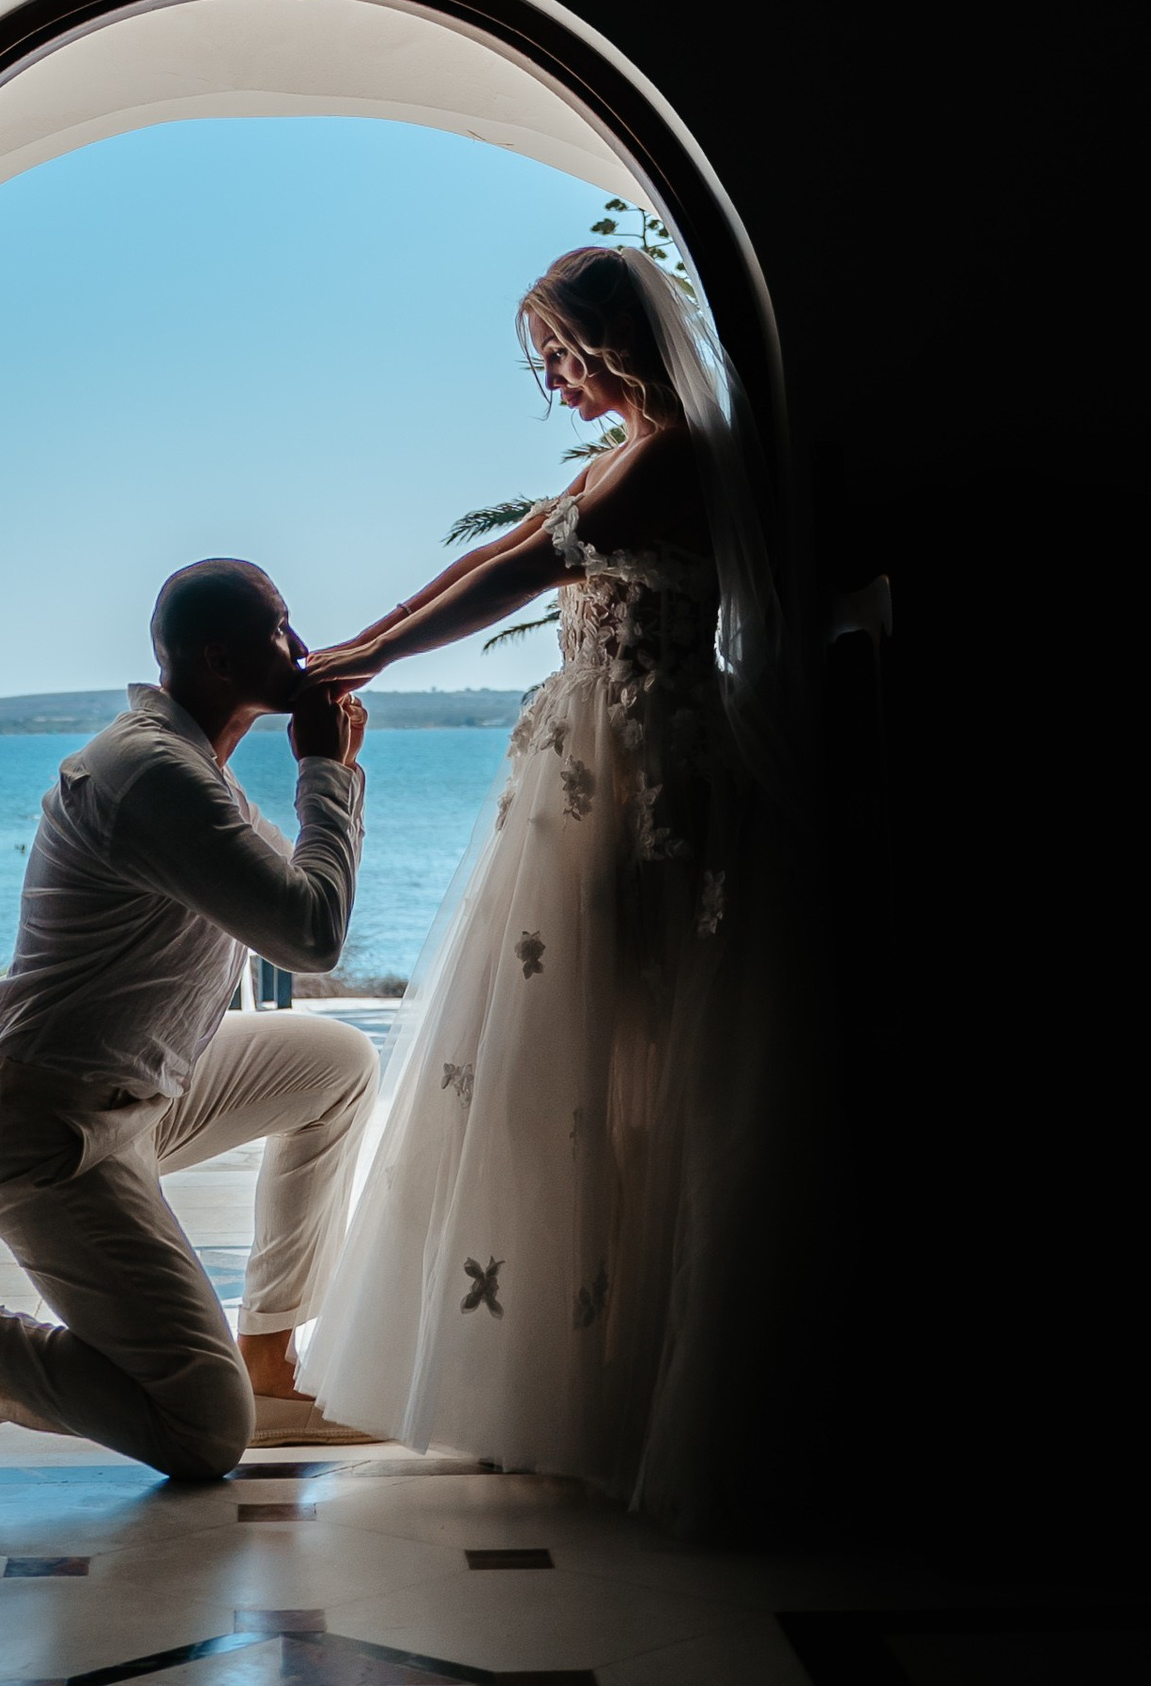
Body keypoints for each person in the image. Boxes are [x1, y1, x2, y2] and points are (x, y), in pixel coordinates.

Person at [300, 246, 822, 1535]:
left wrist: (364, 653)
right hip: (583, 778)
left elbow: (523, 574)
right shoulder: (616, 456)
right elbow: (516, 549)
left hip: (650, 785)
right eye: (547, 361)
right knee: (566, 1075)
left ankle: (636, 1386)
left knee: (638, 1072)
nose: (555, 378)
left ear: (612, 340)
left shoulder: (677, 452)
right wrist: (359, 640)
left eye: (563, 353)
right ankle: (574, 1373)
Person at [0, 557, 377, 1481]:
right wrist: (325, 770)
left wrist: (328, 776)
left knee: (336, 1063)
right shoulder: (156, 773)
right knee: (203, 1431)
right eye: (280, 628)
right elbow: (312, 934)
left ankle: (270, 1349)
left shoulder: (195, 767)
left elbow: (289, 896)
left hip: (139, 1089)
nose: (302, 645)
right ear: (218, 659)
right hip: (47, 1129)